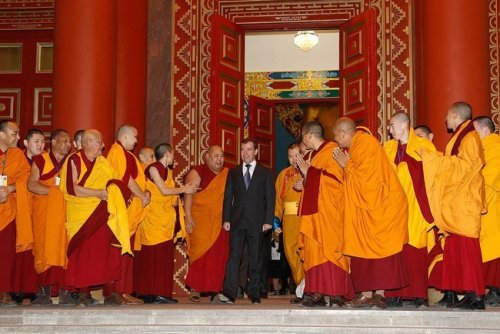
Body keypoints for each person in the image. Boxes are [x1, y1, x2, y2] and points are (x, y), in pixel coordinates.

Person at [332, 117, 409, 309]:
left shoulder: (365, 143)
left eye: (336, 136)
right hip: (366, 209)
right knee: (362, 251)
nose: (336, 141)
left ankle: (379, 295)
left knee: (382, 251)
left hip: (380, 206)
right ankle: (366, 295)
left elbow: (370, 181)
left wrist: (347, 166)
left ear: (343, 133)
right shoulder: (357, 145)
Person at [421, 102, 486, 309]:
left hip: (465, 203)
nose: (445, 119)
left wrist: (436, 161)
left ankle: (477, 296)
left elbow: (468, 166)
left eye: (448, 115)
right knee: (455, 250)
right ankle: (467, 293)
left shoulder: (470, 136)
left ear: (456, 116)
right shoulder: (462, 136)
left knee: (468, 251)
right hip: (457, 203)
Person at [60, 129, 132, 306]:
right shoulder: (74, 160)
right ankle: (84, 294)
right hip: (82, 215)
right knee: (83, 254)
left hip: (102, 214)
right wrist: (98, 193)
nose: (104, 145)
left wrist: (121, 193)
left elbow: (116, 182)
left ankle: (110, 292)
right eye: (100, 141)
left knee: (107, 253)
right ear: (89, 142)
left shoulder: (104, 163)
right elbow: (72, 188)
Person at [296, 121, 353, 307]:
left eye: (303, 138)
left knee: (331, 248)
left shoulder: (332, 150)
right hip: (313, 214)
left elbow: (337, 180)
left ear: (310, 135)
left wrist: (310, 172)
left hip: (330, 211)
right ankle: (316, 293)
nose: (303, 143)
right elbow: (313, 180)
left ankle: (336, 293)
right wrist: (305, 180)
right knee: (314, 251)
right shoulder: (312, 155)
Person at [383, 112, 437, 308]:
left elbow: (434, 174)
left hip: (416, 206)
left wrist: (409, 166)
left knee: (415, 251)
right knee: (395, 251)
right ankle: (394, 294)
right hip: (394, 207)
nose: (389, 130)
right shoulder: (388, 148)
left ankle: (419, 295)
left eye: (391, 126)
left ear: (404, 125)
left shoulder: (424, 146)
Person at [215, 138, 275, 304]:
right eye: (242, 149)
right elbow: (228, 197)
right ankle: (229, 293)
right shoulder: (233, 172)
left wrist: (268, 220)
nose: (245, 153)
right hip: (237, 221)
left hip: (257, 222)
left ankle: (254, 292)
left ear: (256, 152)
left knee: (255, 258)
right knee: (234, 257)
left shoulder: (265, 173)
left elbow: (270, 198)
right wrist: (226, 218)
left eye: (249, 149)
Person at [135, 143, 196, 304]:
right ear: (168, 154)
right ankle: (150, 293)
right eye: (173, 155)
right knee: (153, 258)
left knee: (162, 258)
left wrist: (175, 200)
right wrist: (184, 189)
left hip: (164, 220)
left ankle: (158, 293)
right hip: (154, 220)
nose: (173, 158)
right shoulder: (153, 168)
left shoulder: (167, 171)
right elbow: (163, 190)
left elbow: (167, 194)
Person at [28, 129, 73, 306]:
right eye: (64, 140)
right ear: (53, 142)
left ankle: (66, 291)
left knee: (66, 247)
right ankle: (43, 292)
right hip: (45, 213)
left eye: (69, 141)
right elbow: (32, 185)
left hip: (66, 212)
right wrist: (55, 193)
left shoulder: (72, 162)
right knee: (43, 247)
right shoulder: (40, 160)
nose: (68, 144)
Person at [106, 125, 150, 305]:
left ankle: (125, 290)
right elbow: (126, 179)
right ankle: (114, 291)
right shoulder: (117, 152)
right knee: (118, 249)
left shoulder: (128, 155)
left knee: (127, 250)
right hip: (123, 208)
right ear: (124, 136)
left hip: (131, 210)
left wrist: (145, 194)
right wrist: (142, 195)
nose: (136, 141)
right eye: (134, 137)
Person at [184, 145, 229, 302]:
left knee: (218, 256)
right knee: (199, 254)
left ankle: (215, 290)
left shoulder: (227, 174)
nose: (219, 159)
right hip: (200, 219)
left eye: (221, 156)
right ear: (207, 157)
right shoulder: (197, 172)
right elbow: (189, 194)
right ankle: (195, 289)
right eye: (215, 156)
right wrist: (188, 216)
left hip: (220, 221)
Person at [0, 120, 31, 306]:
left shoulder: (17, 154)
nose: (18, 137)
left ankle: (4, 292)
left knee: (6, 254)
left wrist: (9, 188)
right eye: (14, 133)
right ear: (2, 134)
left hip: (8, 210)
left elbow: (25, 177)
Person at [473, 116, 500, 306]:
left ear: (483, 131)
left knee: (495, 248)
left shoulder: (495, 148)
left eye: (474, 132)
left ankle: (497, 290)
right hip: (484, 204)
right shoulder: (484, 149)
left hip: (494, 205)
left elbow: (490, 176)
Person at [273, 142, 305, 304]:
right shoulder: (283, 175)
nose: (293, 160)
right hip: (289, 220)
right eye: (290, 156)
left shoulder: (308, 171)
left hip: (305, 218)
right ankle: (301, 285)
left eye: (297, 155)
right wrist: (275, 221)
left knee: (306, 254)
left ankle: (307, 290)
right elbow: (278, 200)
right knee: (291, 254)